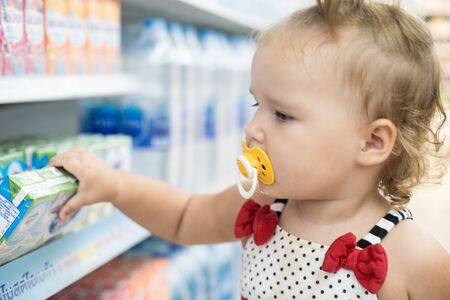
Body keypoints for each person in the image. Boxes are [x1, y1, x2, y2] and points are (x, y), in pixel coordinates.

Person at [50, 0, 450, 299]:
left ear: (372, 142)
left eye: (283, 116)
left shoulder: (411, 256)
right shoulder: (266, 206)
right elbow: (185, 217)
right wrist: (116, 185)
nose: (252, 128)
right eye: (258, 105)